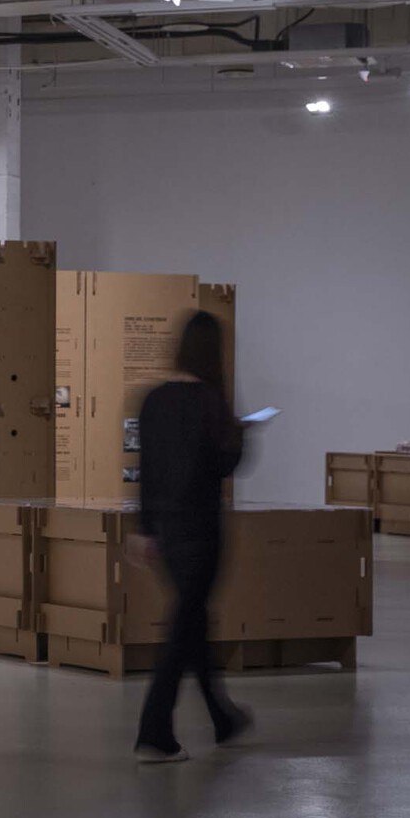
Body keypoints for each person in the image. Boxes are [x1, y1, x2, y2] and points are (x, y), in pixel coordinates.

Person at [129, 311, 251, 764]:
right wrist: (241, 434)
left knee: (192, 622)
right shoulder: (211, 402)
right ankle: (154, 730)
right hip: (201, 529)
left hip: (164, 531)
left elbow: (145, 472)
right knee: (184, 627)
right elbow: (224, 467)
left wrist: (143, 528)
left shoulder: (153, 400)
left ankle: (223, 717)